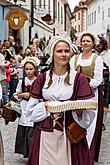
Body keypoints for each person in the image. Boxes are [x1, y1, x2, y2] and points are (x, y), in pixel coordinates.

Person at [26, 35, 97, 165]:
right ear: (52, 54)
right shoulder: (42, 78)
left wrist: (79, 111)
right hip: (45, 136)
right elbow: (30, 111)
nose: (63, 54)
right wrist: (45, 107)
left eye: (66, 51)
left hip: (69, 135)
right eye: (59, 51)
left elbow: (89, 115)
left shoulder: (78, 79)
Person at [70, 32, 104, 163]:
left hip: (92, 95)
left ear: (93, 43)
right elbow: (71, 75)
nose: (85, 43)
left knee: (90, 123)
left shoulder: (97, 59)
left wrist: (85, 85)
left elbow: (98, 79)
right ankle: (76, 152)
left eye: (88, 41)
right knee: (76, 121)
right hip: (77, 95)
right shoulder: (75, 59)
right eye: (83, 41)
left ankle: (87, 154)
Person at [14, 57, 40, 158]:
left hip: (34, 108)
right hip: (24, 107)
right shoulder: (22, 81)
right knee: (24, 130)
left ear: (35, 69)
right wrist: (21, 95)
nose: (28, 71)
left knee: (32, 131)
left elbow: (41, 95)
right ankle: (25, 152)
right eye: (27, 69)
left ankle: (33, 153)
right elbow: (16, 94)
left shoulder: (38, 80)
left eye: (31, 69)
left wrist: (31, 96)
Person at [95, 37, 110, 131]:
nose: (97, 46)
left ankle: (102, 122)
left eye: (99, 44)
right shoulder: (95, 54)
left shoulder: (108, 54)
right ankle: (96, 121)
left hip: (106, 79)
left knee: (105, 103)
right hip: (96, 80)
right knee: (96, 101)